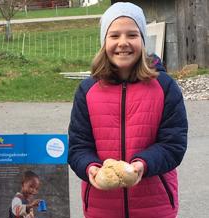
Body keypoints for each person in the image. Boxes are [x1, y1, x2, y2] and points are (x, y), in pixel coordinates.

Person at [68, 2, 188, 218]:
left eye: (132, 35)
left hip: (155, 207)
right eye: (114, 36)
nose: (123, 43)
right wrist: (91, 168)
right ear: (104, 42)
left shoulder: (165, 87)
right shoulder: (87, 91)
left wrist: (143, 164)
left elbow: (173, 145)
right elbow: (78, 147)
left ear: (143, 40)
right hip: (101, 208)